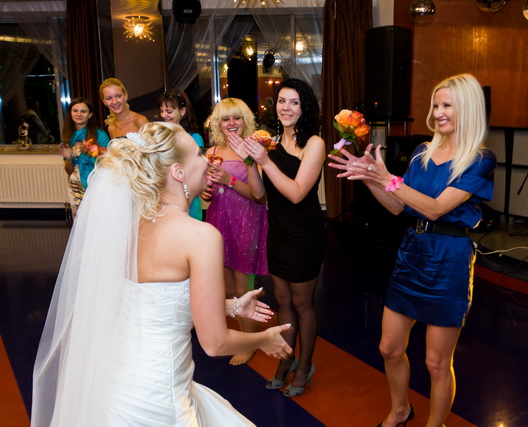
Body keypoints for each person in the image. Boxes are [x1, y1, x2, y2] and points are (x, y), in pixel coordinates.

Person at [32, 121, 292, 426]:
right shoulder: (200, 236)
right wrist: (263, 339)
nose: (207, 160)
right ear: (178, 172)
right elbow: (215, 343)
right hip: (159, 396)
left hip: (114, 383)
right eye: (198, 155)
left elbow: (153, 304)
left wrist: (229, 306)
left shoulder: (130, 225)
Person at [328, 73, 496, 427]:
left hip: (450, 259)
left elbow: (435, 209)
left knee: (437, 363)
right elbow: (397, 206)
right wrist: (370, 178)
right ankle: (401, 410)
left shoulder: (480, 158)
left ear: (468, 108)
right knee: (389, 347)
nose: (438, 112)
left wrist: (387, 178)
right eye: (435, 105)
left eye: (447, 105)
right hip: (413, 252)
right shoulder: (422, 152)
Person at [228, 78, 326, 397]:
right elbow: (259, 194)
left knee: (302, 303)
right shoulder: (269, 143)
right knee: (283, 301)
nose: (286, 107)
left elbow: (296, 193)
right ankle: (286, 359)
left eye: (294, 102)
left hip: (304, 234)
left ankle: (304, 366)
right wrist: (250, 161)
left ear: (305, 107)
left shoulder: (314, 143)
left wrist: (264, 160)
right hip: (278, 231)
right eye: (282, 101)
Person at [201, 98, 269, 365]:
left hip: (246, 222)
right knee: (227, 287)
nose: (231, 123)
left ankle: (251, 342)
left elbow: (259, 196)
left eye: (236, 117)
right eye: (225, 118)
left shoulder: (255, 150)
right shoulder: (211, 151)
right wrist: (205, 191)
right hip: (218, 221)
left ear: (245, 120)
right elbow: (206, 191)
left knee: (243, 287)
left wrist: (227, 180)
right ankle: (240, 336)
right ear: (218, 123)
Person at [58, 97, 110, 219]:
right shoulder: (67, 137)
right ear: (70, 113)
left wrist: (90, 153)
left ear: (90, 114)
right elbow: (69, 171)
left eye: (83, 111)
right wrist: (69, 158)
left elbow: (108, 165)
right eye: (75, 110)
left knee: (96, 220)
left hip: (96, 183)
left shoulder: (100, 135)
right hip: (75, 187)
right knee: (79, 221)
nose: (79, 114)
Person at [159, 89, 205, 219]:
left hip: (188, 200)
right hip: (163, 200)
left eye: (169, 111)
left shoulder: (194, 138)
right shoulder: (160, 138)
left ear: (182, 111)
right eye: (162, 111)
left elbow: (193, 171)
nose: (164, 115)